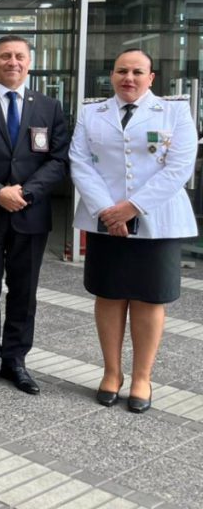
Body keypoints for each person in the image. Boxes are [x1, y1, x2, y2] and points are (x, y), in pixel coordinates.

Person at [70, 49, 198, 413]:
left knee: (149, 297)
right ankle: (112, 373)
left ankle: (142, 377)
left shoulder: (174, 111)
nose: (129, 78)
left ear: (151, 78)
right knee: (109, 294)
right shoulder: (91, 112)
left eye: (137, 72)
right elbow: (79, 162)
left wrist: (132, 207)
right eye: (121, 71)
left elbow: (178, 167)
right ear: (111, 75)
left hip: (158, 220)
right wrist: (108, 212)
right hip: (105, 219)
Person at [0, 34, 70, 394]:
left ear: (29, 63)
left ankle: (16, 359)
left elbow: (59, 159)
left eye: (20, 56)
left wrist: (26, 192)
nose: (13, 62)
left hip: (30, 213)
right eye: (5, 56)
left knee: (24, 290)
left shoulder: (49, 107)